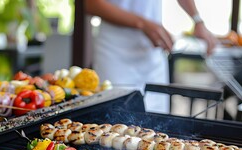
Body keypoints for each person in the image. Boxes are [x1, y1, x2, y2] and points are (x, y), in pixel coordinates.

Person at [84, 0, 218, 113]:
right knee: (114, 121)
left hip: (153, 56)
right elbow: (91, 4)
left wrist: (197, 20)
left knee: (157, 127)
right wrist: (142, 24)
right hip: (114, 54)